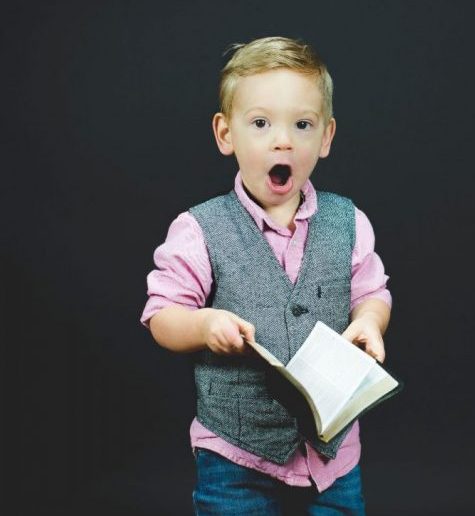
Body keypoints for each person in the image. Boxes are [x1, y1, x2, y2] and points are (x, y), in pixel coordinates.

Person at [140, 36, 392, 515]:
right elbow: (161, 316)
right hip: (236, 454)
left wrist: (370, 322)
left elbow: (372, 291)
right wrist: (203, 324)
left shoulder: (349, 221)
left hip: (332, 454)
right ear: (225, 134)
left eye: (302, 124)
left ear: (326, 137)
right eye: (260, 123)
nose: (283, 140)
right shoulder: (200, 229)